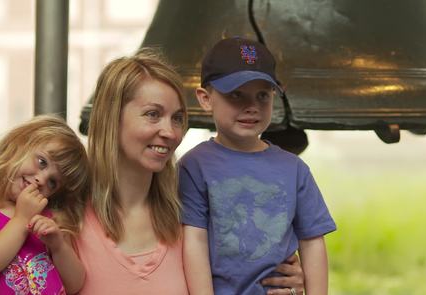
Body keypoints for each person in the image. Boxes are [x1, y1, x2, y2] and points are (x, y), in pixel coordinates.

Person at [74, 48, 306, 294]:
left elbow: (249, 268)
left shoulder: (193, 210)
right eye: (153, 114)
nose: (171, 133)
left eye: (177, 118)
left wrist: (291, 282)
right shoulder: (67, 216)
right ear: (112, 118)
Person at [179, 37, 337, 295]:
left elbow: (313, 242)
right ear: (205, 98)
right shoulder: (194, 166)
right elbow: (193, 242)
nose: (251, 107)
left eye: (262, 95)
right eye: (236, 95)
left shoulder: (294, 169)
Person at [0, 115, 90, 295]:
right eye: (42, 162)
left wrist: (58, 246)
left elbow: (75, 284)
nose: (41, 179)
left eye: (53, 182)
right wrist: (22, 219)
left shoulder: (50, 219)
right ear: (18, 145)